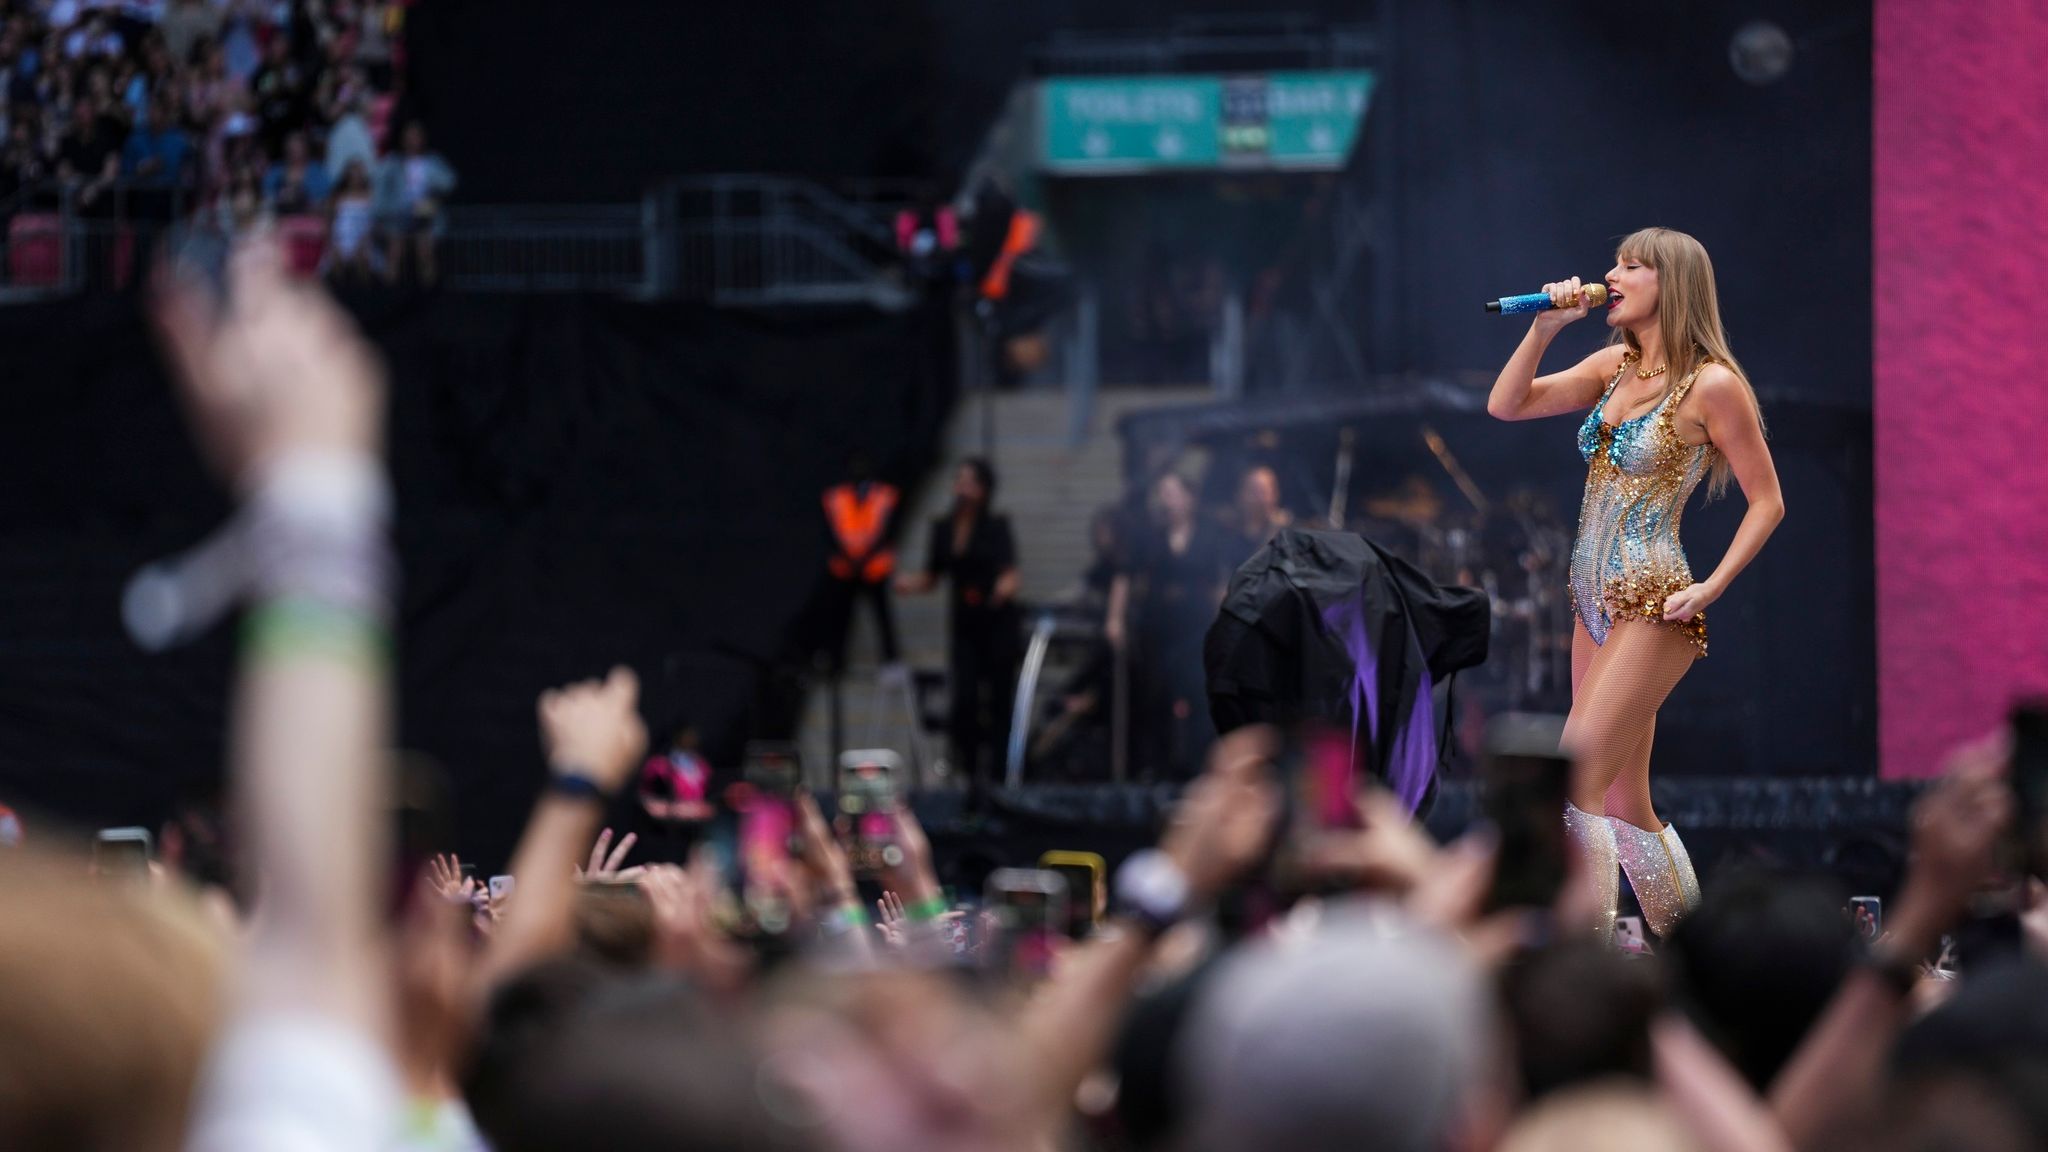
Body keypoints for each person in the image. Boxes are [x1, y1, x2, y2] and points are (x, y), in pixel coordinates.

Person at [1486, 227, 1785, 941]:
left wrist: (1711, 586)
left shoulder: (1713, 384)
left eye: (1630, 265)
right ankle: (1695, 957)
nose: (1610, 274)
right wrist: (1546, 326)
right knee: (1623, 805)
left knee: (1572, 787)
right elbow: (1507, 403)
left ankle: (1578, 966)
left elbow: (1768, 500)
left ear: (1670, 284)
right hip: (1591, 604)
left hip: (1654, 600)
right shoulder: (1614, 365)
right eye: (1613, 262)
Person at [896, 458, 1019, 803]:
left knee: (997, 699)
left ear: (983, 488)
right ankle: (966, 768)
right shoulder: (944, 527)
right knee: (964, 698)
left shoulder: (996, 526)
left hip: (995, 621)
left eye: (969, 481)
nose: (961, 487)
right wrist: (908, 582)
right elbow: (933, 575)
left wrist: (1003, 588)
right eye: (959, 480)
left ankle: (998, 774)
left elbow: (1010, 570)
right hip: (964, 622)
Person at [1109, 471, 1235, 780]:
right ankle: (1157, 767)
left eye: (1173, 492)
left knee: (1197, 694)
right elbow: (1125, 576)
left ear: (1189, 498)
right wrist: (1114, 618)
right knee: (1157, 695)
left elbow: (1220, 582)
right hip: (1158, 626)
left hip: (1196, 627)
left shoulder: (1209, 533)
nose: (1167, 500)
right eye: (1162, 493)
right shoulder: (1149, 535)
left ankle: (1196, 768)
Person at [819, 452, 902, 672]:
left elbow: (889, 529)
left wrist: (864, 558)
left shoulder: (885, 494)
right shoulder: (835, 496)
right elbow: (830, 532)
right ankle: (835, 661)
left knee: (881, 615)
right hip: (845, 569)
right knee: (840, 617)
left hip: (873, 568)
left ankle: (891, 660)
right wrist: (850, 558)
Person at [374, 121, 455, 285]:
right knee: (394, 251)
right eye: (409, 137)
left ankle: (429, 294)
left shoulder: (432, 161)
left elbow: (449, 182)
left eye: (416, 137)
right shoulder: (393, 162)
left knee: (425, 249)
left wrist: (431, 186)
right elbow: (379, 185)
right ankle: (389, 295)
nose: (412, 141)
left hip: (425, 212)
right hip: (399, 214)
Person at [1231, 463, 1292, 555]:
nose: (1259, 499)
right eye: (1253, 491)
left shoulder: (1288, 534)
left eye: (1263, 492)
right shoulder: (1226, 532)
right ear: (1241, 495)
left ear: (1275, 494)